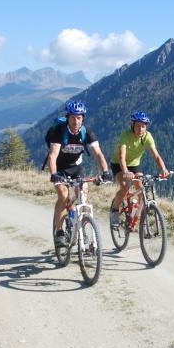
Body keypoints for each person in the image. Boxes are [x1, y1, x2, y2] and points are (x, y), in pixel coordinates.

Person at [46, 100, 112, 246]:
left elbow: (98, 154)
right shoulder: (59, 132)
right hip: (60, 169)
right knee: (63, 196)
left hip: (76, 168)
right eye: (73, 117)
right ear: (68, 117)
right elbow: (52, 155)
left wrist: (105, 172)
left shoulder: (86, 132)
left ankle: (81, 230)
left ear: (83, 118)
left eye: (79, 118)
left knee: (83, 196)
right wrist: (54, 174)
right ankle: (59, 232)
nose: (76, 121)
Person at [109, 111, 170, 222]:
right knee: (125, 186)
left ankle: (136, 219)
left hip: (135, 164)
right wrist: (126, 172)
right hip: (118, 164)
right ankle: (115, 210)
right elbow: (121, 157)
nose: (141, 129)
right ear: (132, 125)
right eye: (138, 126)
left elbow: (156, 155)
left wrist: (163, 169)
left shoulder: (147, 137)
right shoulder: (125, 136)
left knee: (142, 190)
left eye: (143, 126)